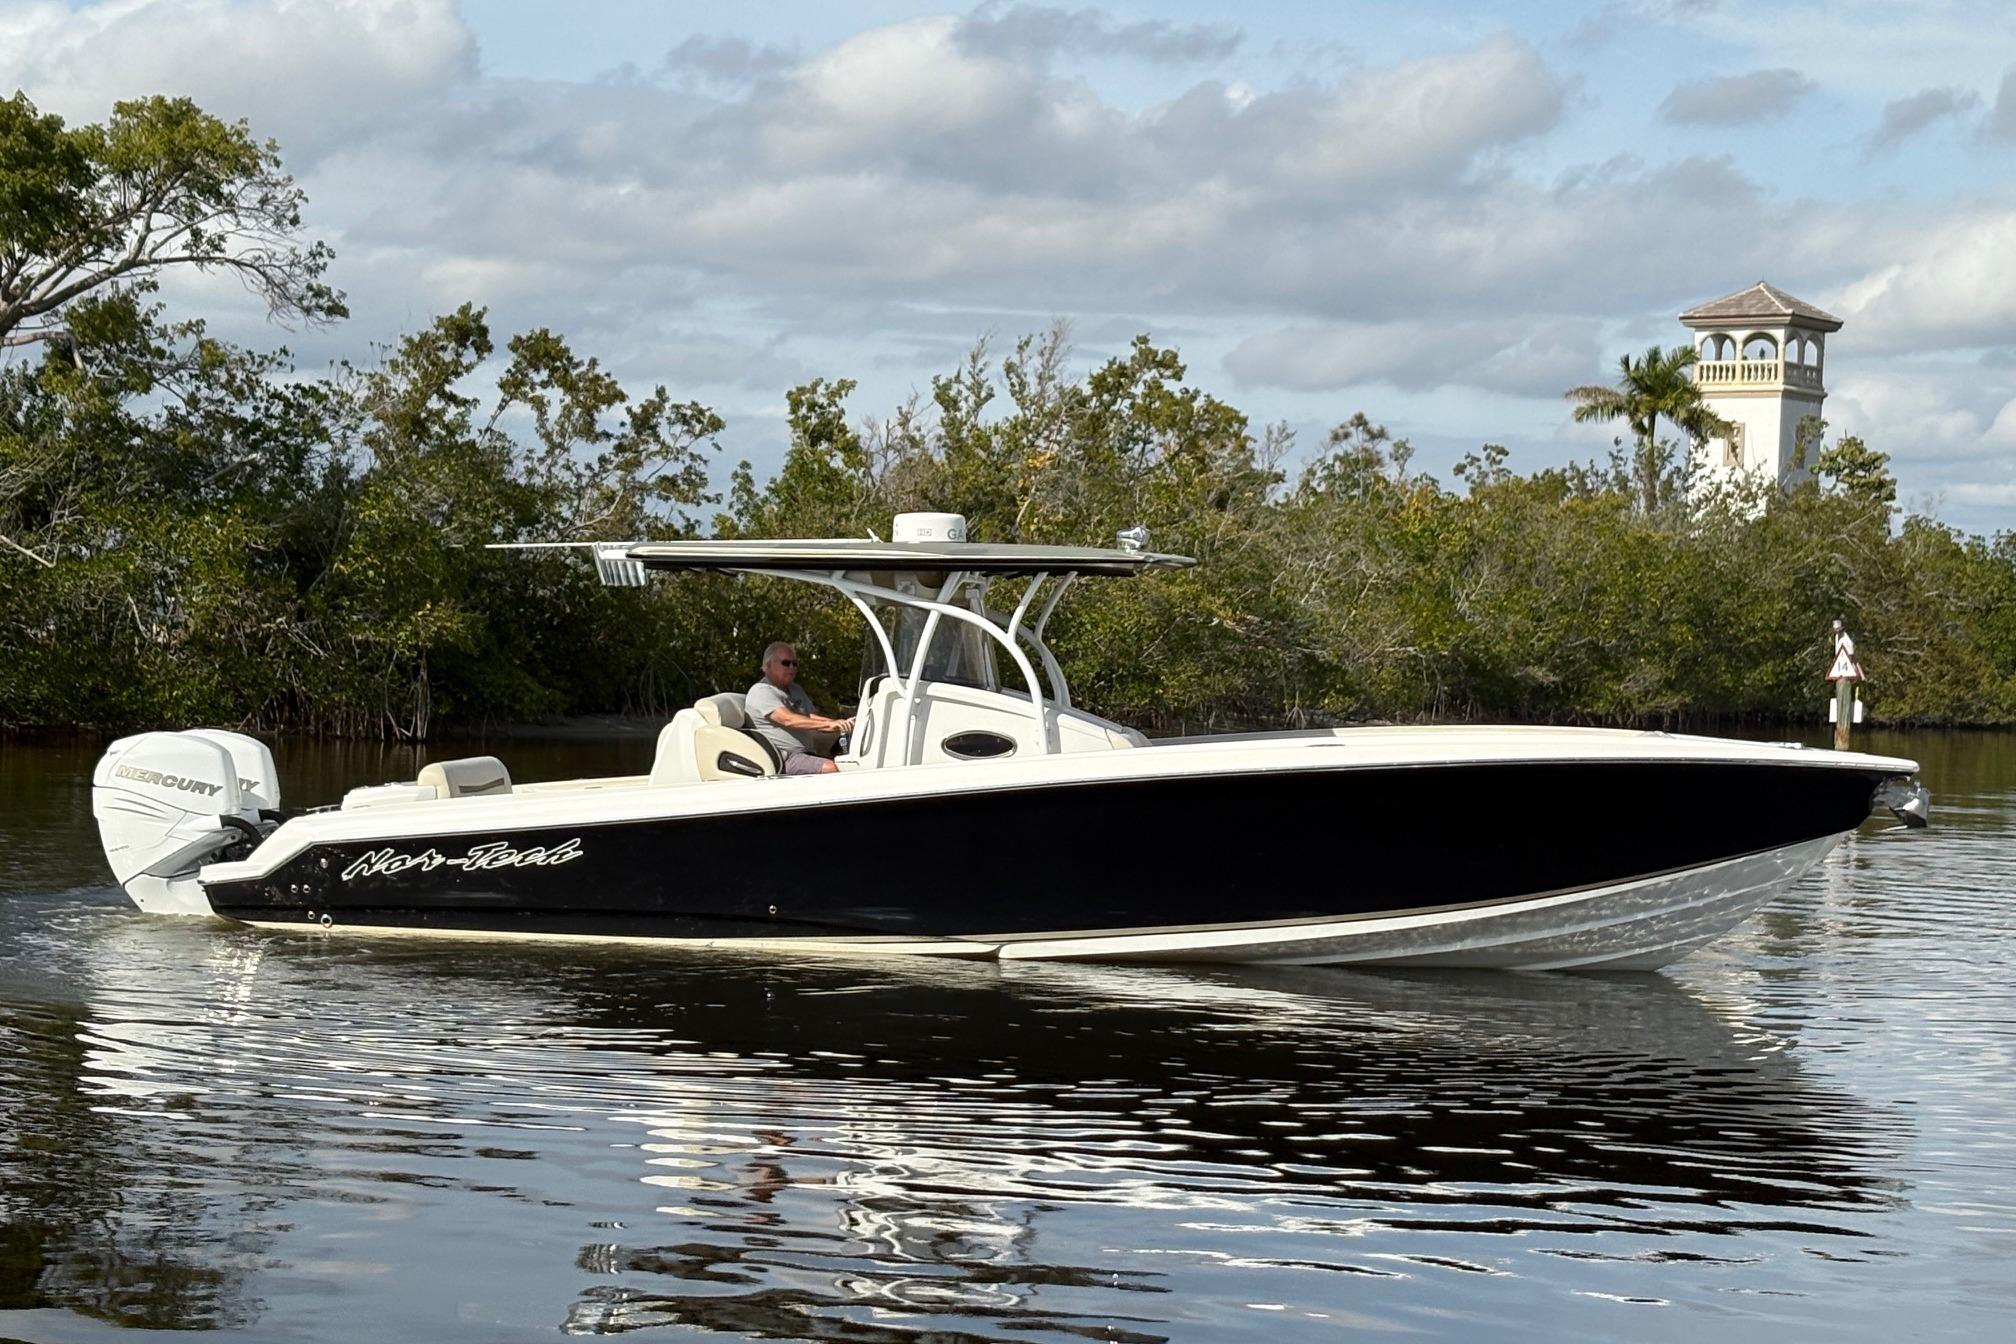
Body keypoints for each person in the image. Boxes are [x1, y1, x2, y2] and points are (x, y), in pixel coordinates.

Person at [745, 642, 854, 775]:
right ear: (767, 666)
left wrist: (839, 723)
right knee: (830, 768)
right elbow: (788, 719)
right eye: (786, 663)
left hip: (806, 751)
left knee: (849, 756)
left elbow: (808, 716)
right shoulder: (761, 691)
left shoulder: (795, 689)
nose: (792, 667)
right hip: (785, 758)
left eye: (794, 663)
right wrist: (830, 725)